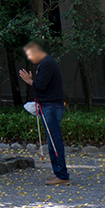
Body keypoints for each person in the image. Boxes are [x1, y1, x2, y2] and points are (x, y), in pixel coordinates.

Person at [19, 40, 70, 185]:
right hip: (50, 106)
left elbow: (40, 85)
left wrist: (29, 81)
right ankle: (59, 173)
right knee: (53, 140)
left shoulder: (47, 63)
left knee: (54, 141)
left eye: (30, 54)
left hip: (51, 107)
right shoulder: (47, 63)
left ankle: (62, 175)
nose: (30, 58)